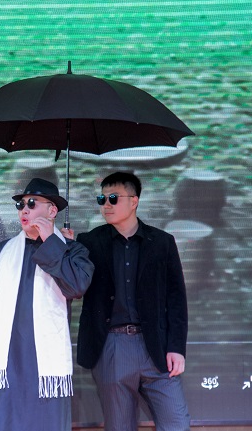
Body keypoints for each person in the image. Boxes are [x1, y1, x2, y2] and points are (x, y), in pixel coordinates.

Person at [0, 178, 94, 431]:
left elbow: (76, 286)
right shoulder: (0, 253)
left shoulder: (72, 251)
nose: (24, 210)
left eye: (32, 203)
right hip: (4, 361)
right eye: (20, 204)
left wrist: (52, 242)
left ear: (52, 211)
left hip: (44, 363)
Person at [75, 171, 190, 431]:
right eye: (102, 199)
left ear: (134, 201)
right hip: (111, 345)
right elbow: (75, 288)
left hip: (156, 347)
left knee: (176, 424)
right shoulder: (88, 242)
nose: (106, 204)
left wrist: (176, 347)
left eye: (113, 198)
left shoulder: (162, 242)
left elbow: (176, 299)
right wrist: (67, 251)